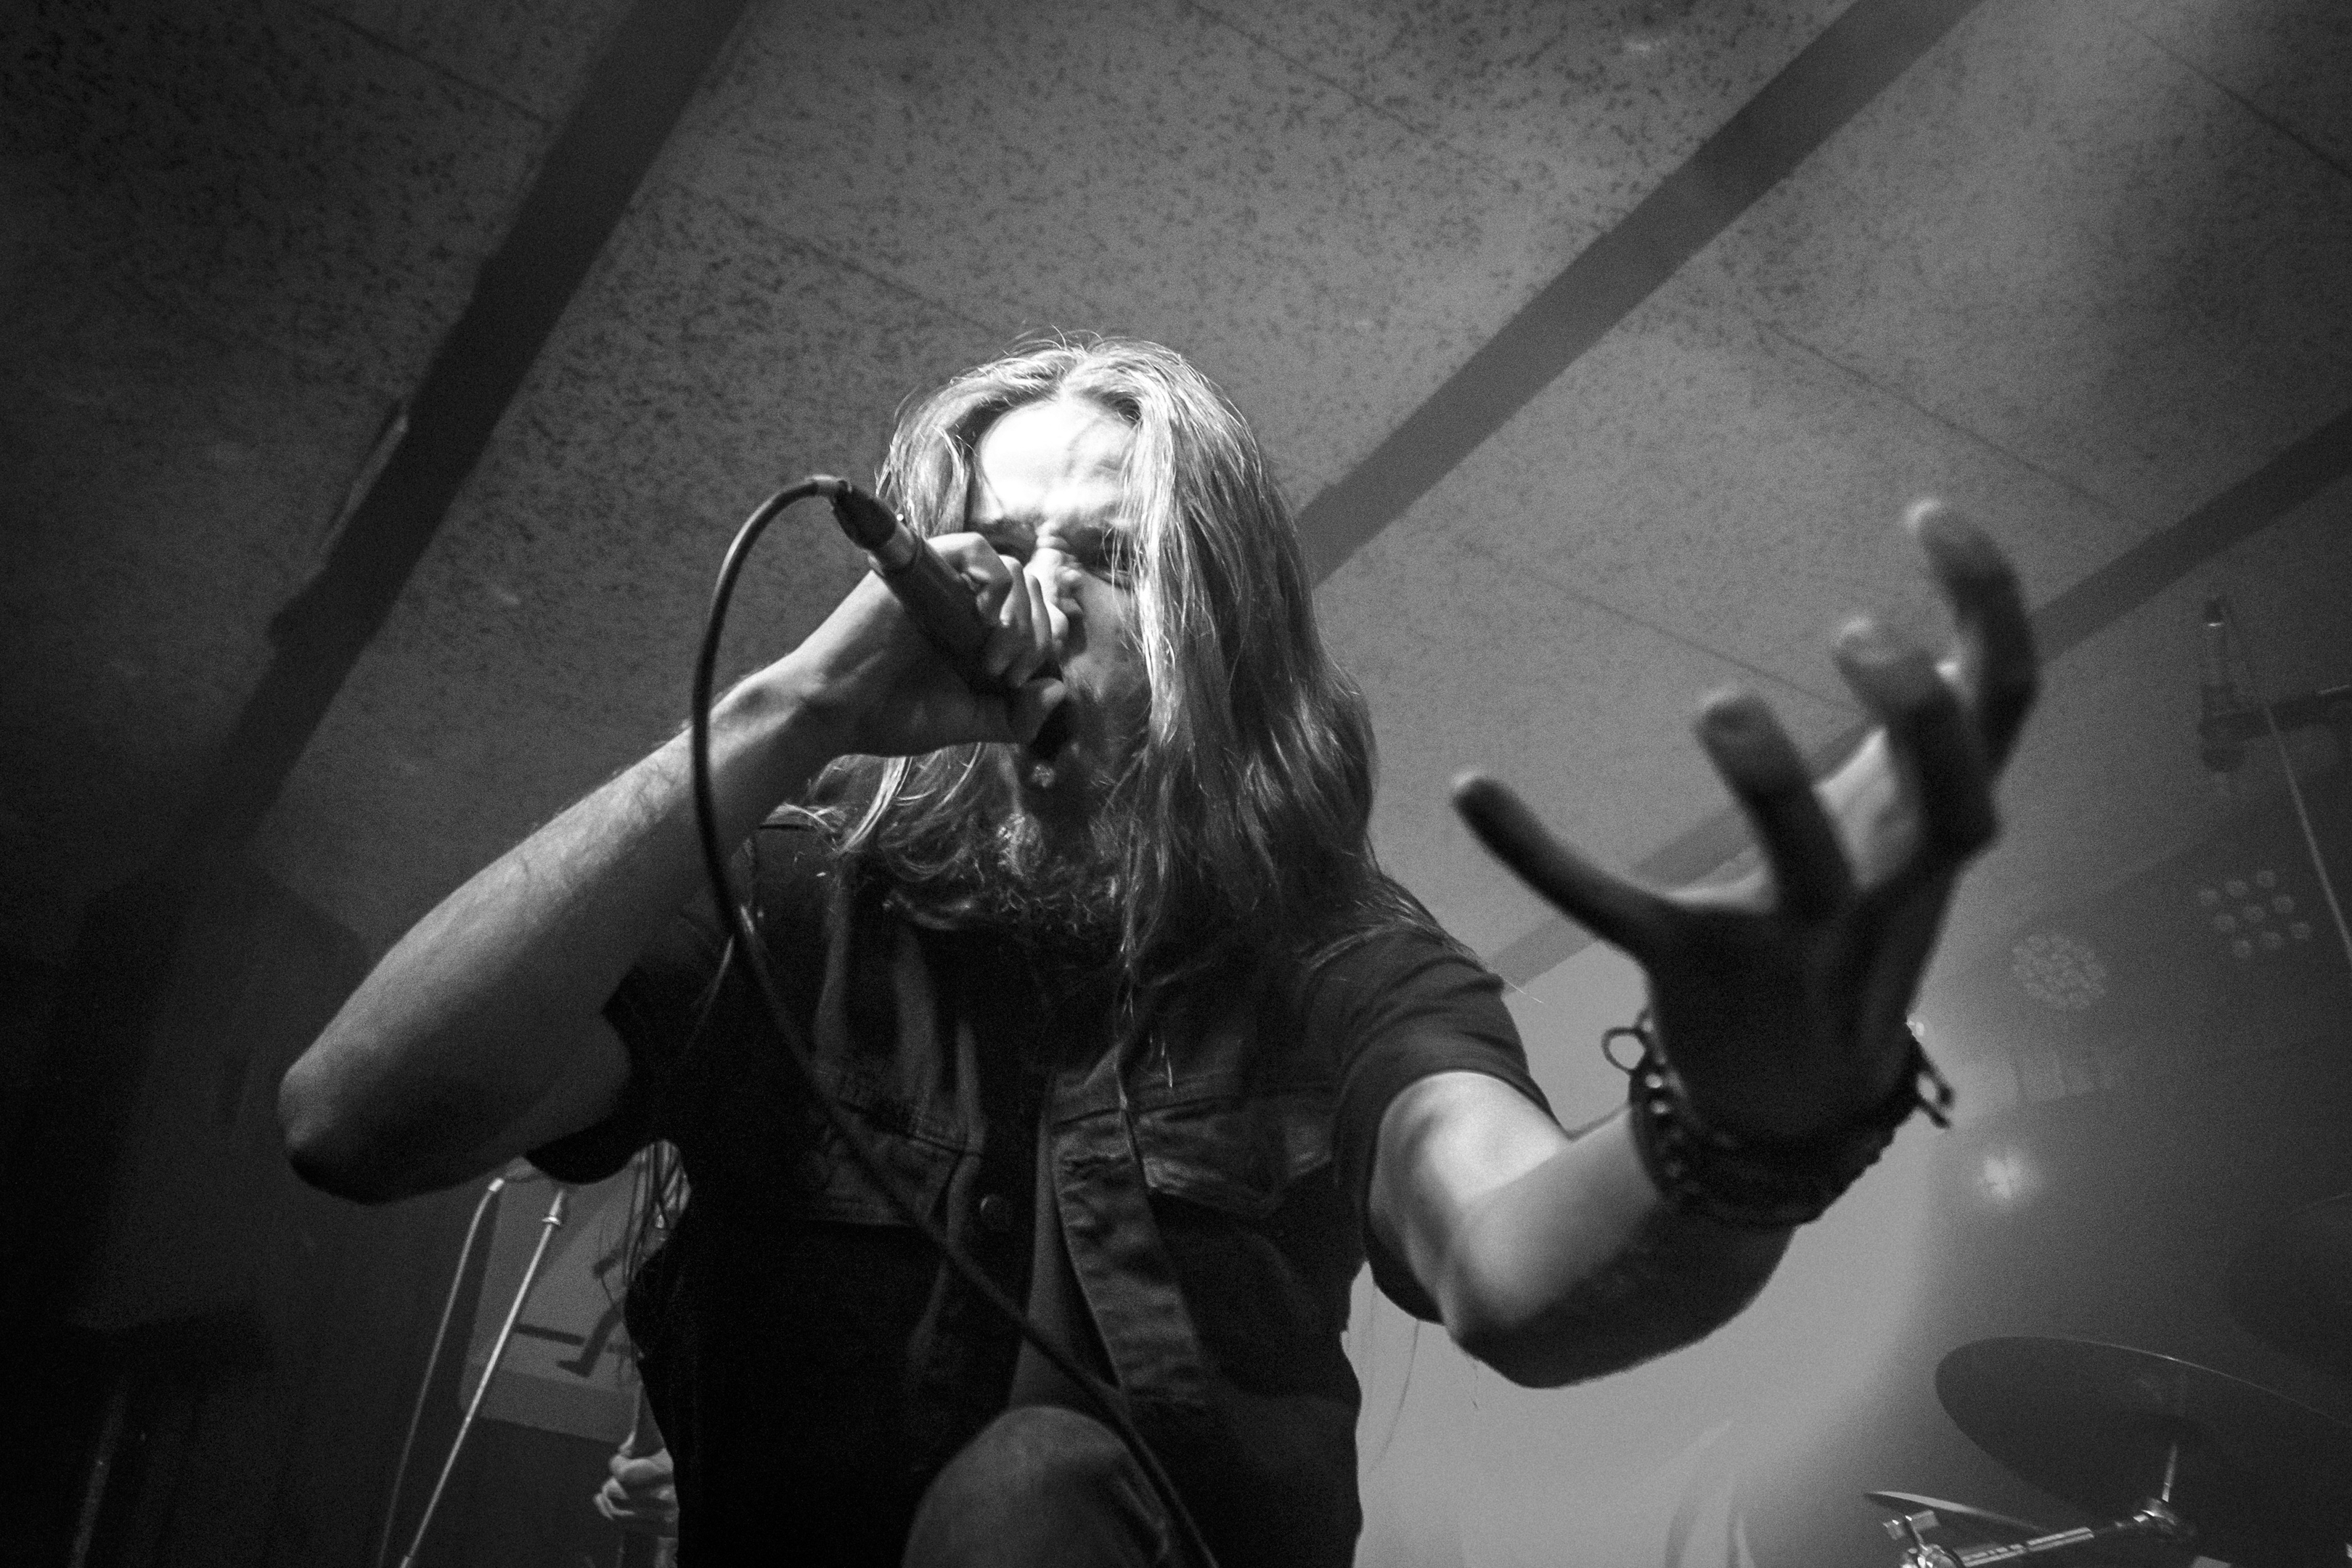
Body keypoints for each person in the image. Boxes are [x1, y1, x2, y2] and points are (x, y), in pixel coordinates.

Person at [279, 338, 2036, 1566]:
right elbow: (356, 1116)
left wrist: (1737, 1131)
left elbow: (1511, 1265)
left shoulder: (1340, 956)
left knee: (1037, 1490)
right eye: (995, 548)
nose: (1040, 595)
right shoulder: (795, 904)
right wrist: (785, 711)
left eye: (1109, 552)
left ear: (1215, 617)